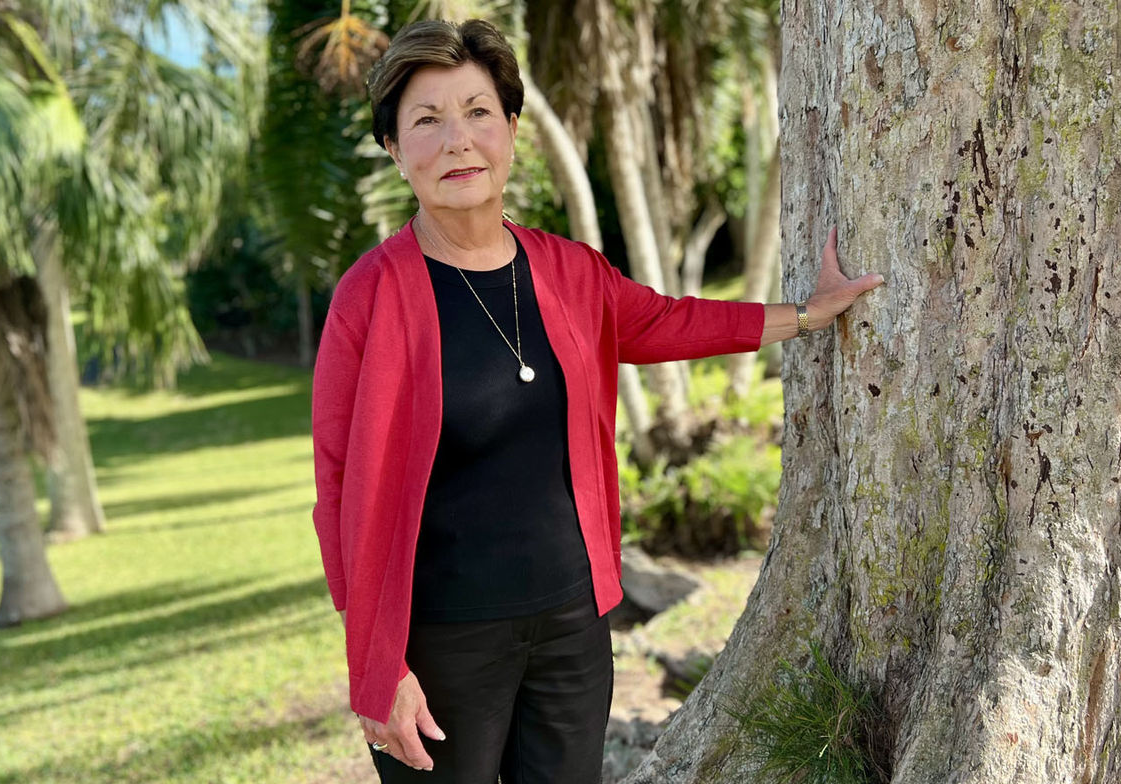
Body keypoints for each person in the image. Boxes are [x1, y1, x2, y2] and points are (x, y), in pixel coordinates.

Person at [311, 18, 883, 784]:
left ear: (512, 130)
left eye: (478, 112)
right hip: (442, 643)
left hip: (572, 629)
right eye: (427, 121)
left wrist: (809, 314)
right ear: (393, 148)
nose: (458, 141)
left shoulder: (569, 271)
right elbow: (338, 489)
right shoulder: (370, 297)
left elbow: (673, 321)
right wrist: (376, 666)